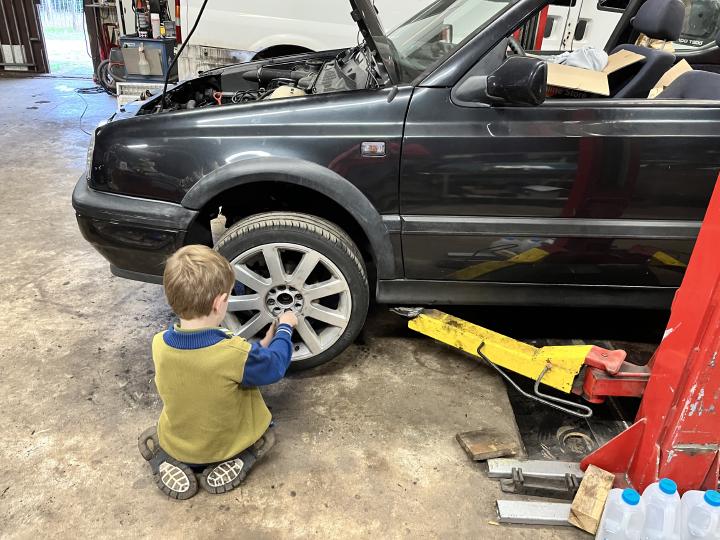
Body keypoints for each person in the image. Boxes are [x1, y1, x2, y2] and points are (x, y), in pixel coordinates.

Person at [137, 244, 298, 499]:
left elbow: (212, 368)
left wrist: (260, 346)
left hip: (178, 441)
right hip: (224, 444)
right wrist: (285, 329)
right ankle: (239, 455)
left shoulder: (159, 343)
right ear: (220, 302)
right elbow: (274, 366)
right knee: (266, 431)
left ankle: (166, 453)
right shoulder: (234, 354)